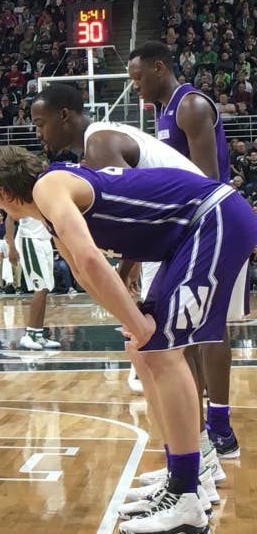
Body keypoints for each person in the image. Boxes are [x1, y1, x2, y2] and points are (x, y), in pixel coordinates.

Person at [0, 145, 257, 534]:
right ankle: (183, 475)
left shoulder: (49, 186)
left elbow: (91, 259)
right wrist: (133, 320)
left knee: (160, 352)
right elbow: (86, 276)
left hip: (214, 216)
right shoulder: (52, 213)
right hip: (191, 230)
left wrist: (140, 325)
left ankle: (188, 496)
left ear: (3, 193)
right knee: (144, 351)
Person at [31, 83, 227, 497]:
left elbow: (140, 211)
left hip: (195, 225)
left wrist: (124, 274)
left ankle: (195, 469)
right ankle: (190, 463)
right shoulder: (98, 142)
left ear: (65, 115)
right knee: (165, 351)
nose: (39, 133)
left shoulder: (99, 146)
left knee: (162, 351)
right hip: (189, 226)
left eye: (40, 122)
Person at [130, 42, 245, 459]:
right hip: (187, 228)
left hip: (214, 224)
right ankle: (198, 434)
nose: (135, 85)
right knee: (187, 333)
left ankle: (221, 428)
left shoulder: (190, 105)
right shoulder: (162, 113)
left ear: (160, 68)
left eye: (139, 76)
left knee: (211, 328)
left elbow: (207, 181)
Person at [5, 214, 60, 350]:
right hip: (30, 239)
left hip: (45, 240)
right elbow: (10, 218)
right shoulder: (25, 193)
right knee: (40, 288)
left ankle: (38, 335)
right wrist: (11, 247)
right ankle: (29, 335)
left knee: (46, 288)